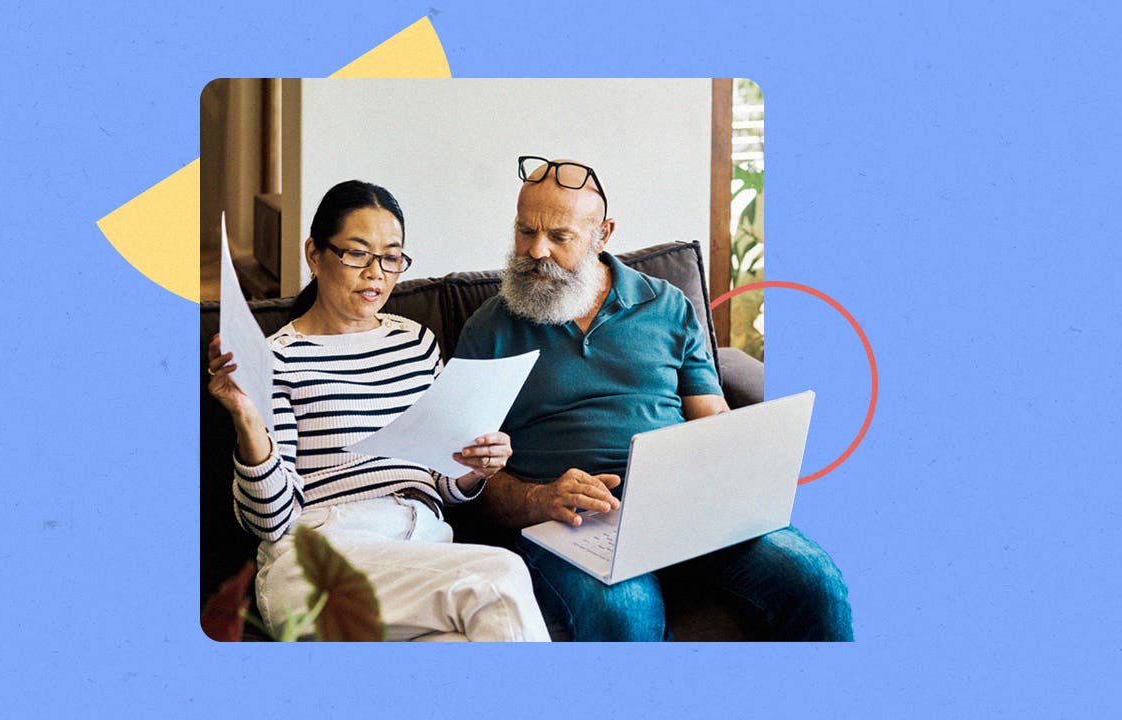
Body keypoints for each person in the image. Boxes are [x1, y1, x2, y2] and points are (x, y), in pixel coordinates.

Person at [453, 156, 853, 641]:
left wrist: (742, 472)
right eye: (525, 231)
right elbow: (469, 478)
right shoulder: (490, 328)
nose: (536, 251)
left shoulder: (668, 306)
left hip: (685, 507)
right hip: (571, 522)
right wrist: (541, 498)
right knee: (625, 615)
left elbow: (713, 420)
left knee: (817, 582)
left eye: (559, 237)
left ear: (603, 234)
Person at [207, 180, 549, 642]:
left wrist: (474, 468)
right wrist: (247, 421)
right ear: (314, 254)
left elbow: (444, 481)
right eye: (357, 254)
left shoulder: (417, 343)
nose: (376, 274)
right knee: (500, 576)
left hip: (422, 549)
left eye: (391, 257)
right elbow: (269, 519)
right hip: (319, 553)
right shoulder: (277, 358)